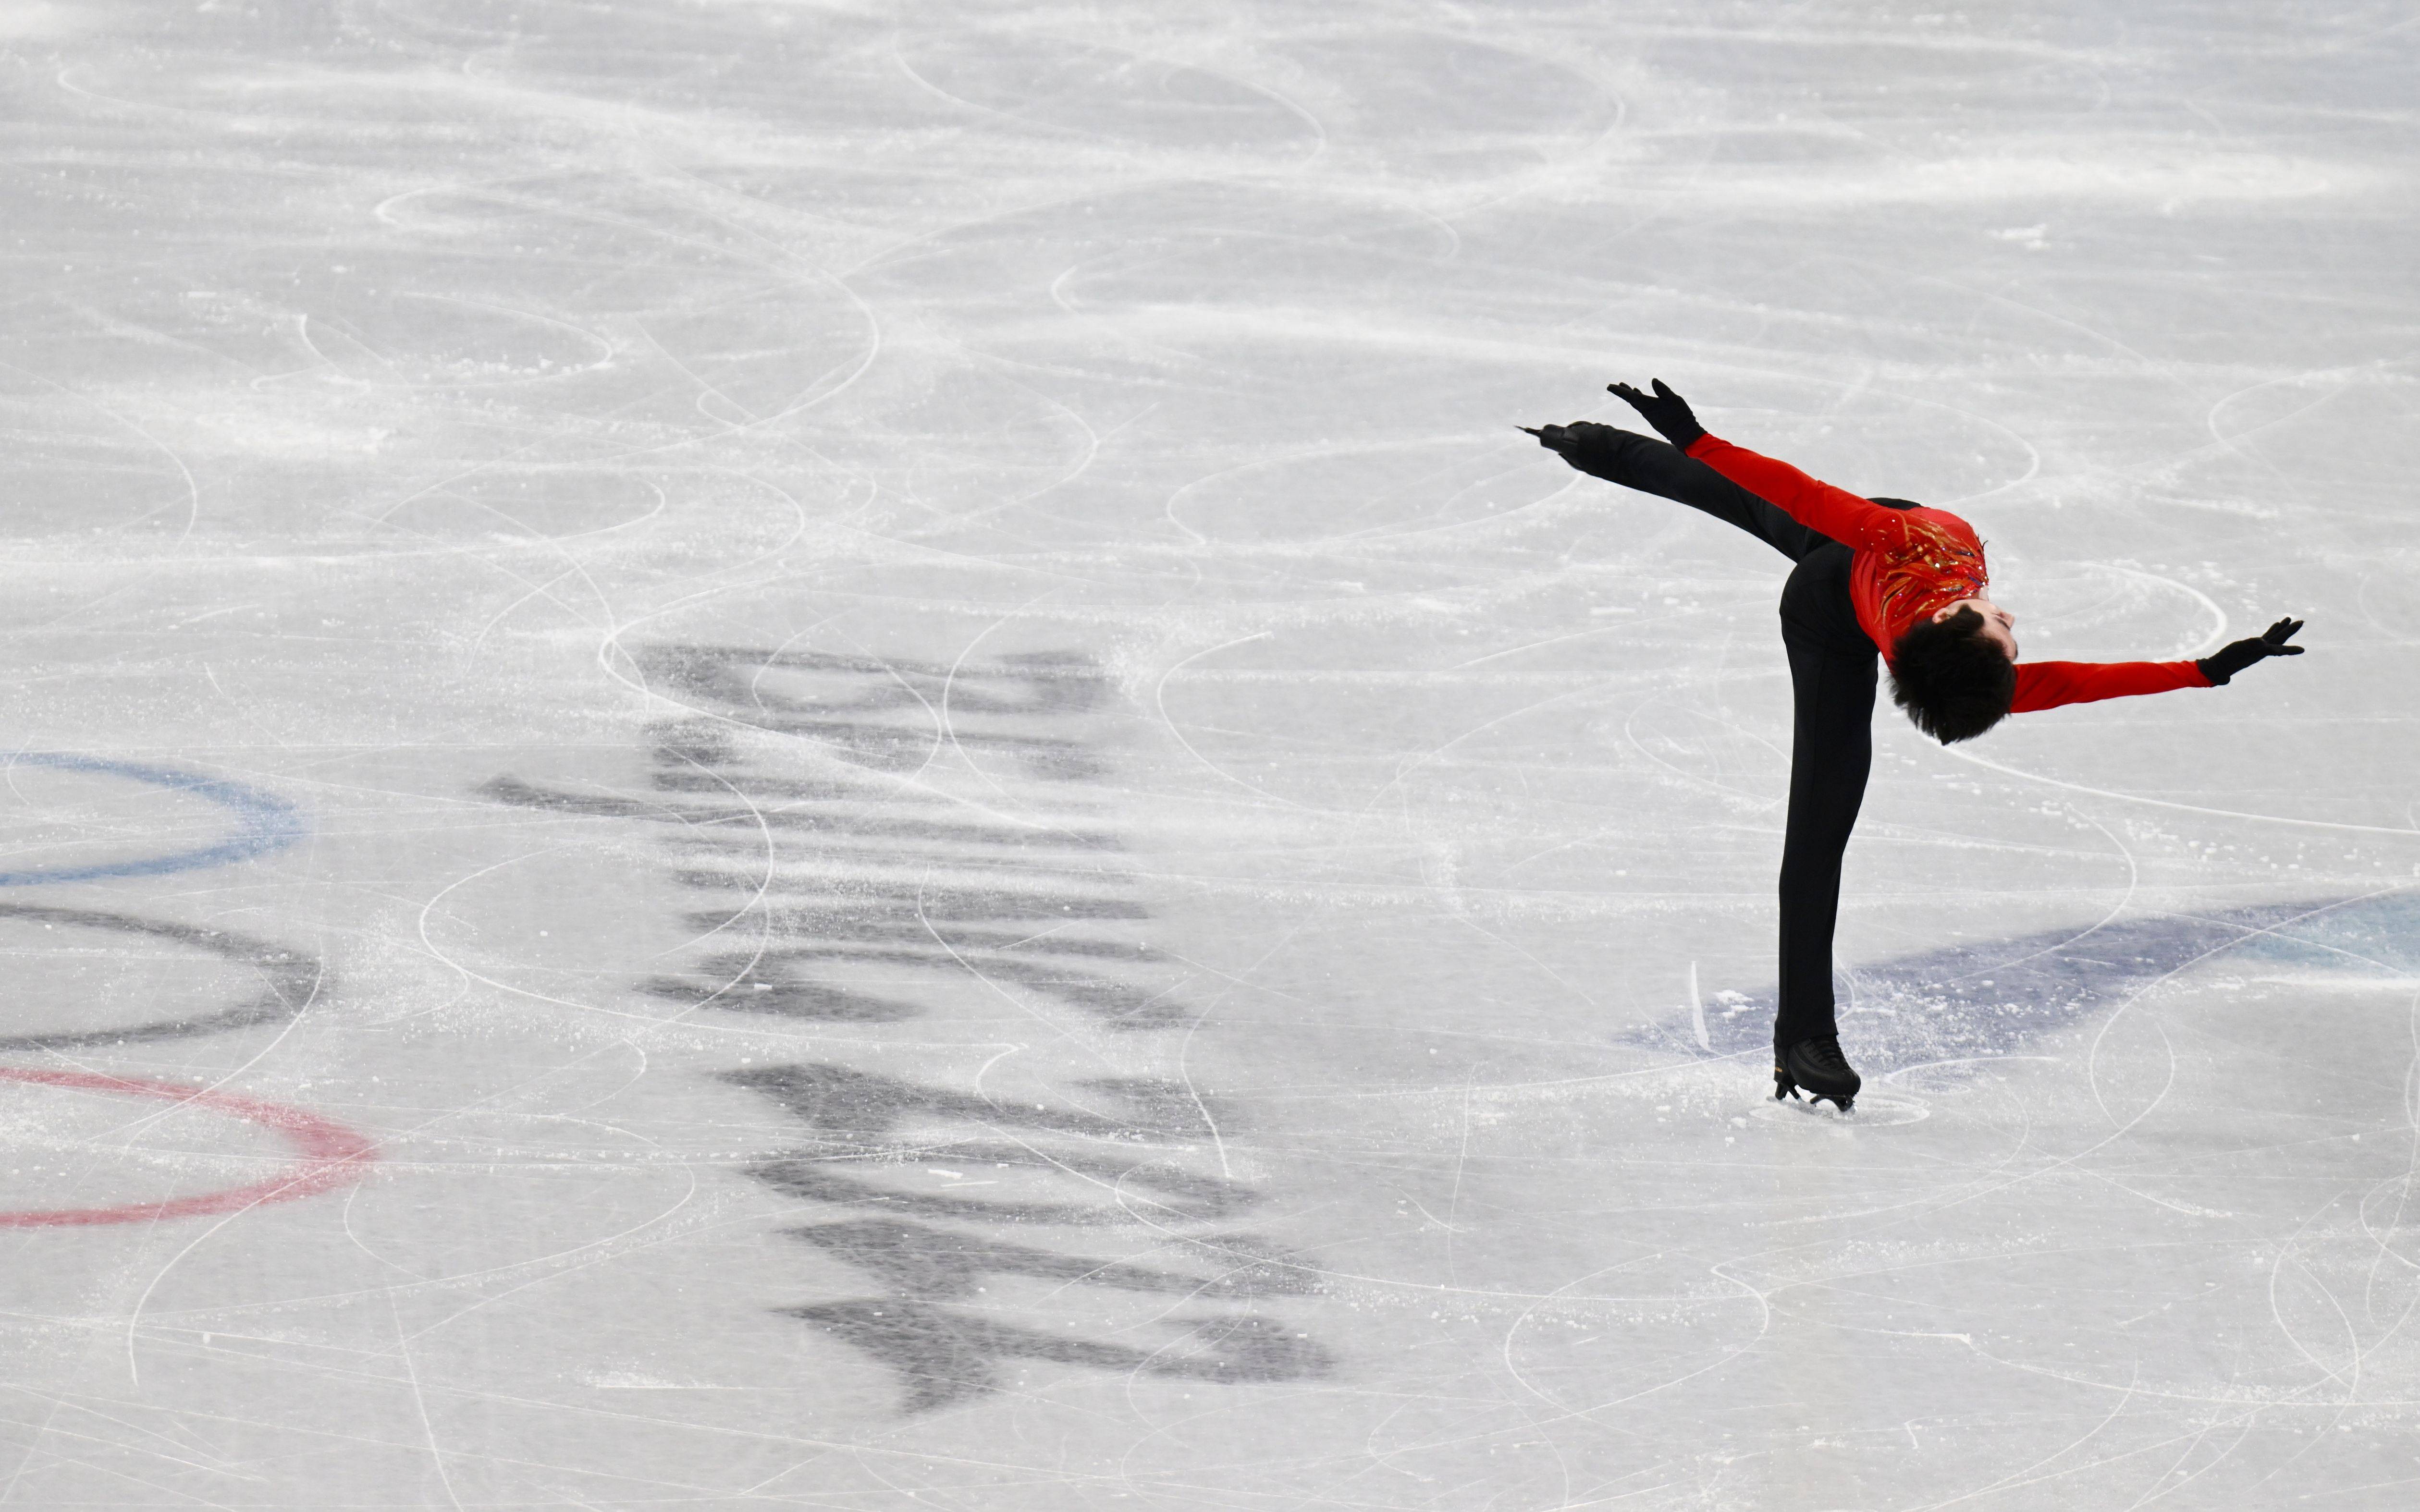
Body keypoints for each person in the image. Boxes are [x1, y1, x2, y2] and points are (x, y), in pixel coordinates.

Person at [1526, 379, 2307, 1111]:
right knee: (1739, 502)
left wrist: (2204, 672)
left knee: (1819, 813)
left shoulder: (1921, 570)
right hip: (1829, 604)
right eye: (2007, 636)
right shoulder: (1932, 597)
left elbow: (2065, 680)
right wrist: (1695, 441)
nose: (2012, 627)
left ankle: (1797, 1039)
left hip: (1863, 580)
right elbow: (1801, 495)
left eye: (2001, 633)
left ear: (1944, 629)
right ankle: (1584, 443)